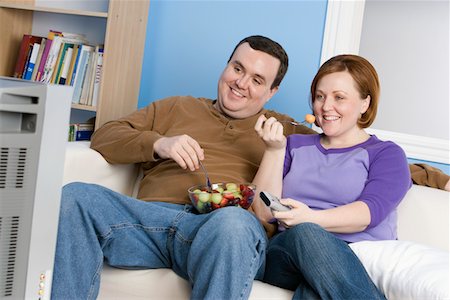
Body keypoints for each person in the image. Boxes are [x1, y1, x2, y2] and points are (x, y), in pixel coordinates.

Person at [51, 35, 449, 299]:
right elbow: (106, 136)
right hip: (152, 221)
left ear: (272, 92)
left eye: (258, 79)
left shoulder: (285, 131)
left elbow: (363, 153)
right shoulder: (174, 108)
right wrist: (160, 143)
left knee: (236, 222)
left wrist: (439, 178)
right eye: (237, 69)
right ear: (226, 67)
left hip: (223, 231)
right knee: (76, 198)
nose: (242, 83)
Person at [253, 54, 412, 299]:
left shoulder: (386, 154)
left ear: (364, 104)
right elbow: (263, 213)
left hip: (355, 260)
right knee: (305, 233)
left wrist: (311, 218)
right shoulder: (293, 145)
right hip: (288, 254)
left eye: (339, 97)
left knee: (313, 290)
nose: (326, 107)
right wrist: (274, 150)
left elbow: (368, 214)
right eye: (320, 96)